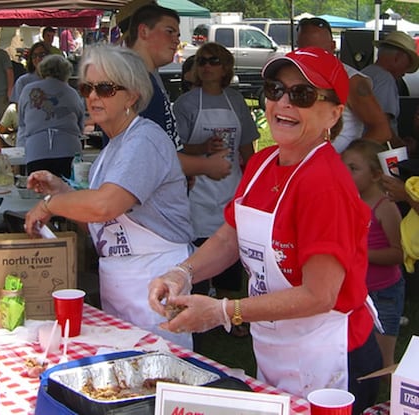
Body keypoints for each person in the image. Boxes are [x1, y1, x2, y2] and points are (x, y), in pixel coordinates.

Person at [148, 47, 382, 414]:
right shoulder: (261, 163)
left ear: (334, 114)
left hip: (330, 358)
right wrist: (183, 272)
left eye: (302, 95)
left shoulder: (324, 182)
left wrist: (223, 311)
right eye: (275, 90)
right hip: (277, 343)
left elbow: (320, 295)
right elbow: (230, 236)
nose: (284, 103)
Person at [24, 45, 194, 349]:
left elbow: (105, 205)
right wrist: (62, 192)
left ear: (131, 96)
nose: (92, 97)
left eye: (105, 88)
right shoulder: (113, 147)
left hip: (153, 281)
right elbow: (98, 217)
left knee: (158, 369)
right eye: (87, 87)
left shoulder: (144, 139)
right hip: (122, 281)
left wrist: (50, 205)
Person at [173, 43, 258, 340]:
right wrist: (204, 149)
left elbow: (247, 145)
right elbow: (177, 149)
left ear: (226, 68)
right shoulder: (184, 104)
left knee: (232, 249)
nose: (207, 66)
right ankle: (192, 309)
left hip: (231, 184)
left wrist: (251, 180)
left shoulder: (236, 102)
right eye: (201, 61)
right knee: (197, 248)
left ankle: (230, 314)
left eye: (214, 61)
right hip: (198, 187)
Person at [125, 3, 231, 182]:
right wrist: (206, 166)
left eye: (178, 35)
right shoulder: (134, 81)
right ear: (143, 31)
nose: (176, 40)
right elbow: (150, 154)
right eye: (169, 31)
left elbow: (164, 144)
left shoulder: (149, 77)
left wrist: (183, 171)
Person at [341, 139, 404, 373]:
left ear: (377, 175)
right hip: (355, 290)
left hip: (383, 292)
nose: (345, 173)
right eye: (343, 166)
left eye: (354, 169)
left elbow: (399, 253)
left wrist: (360, 254)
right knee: (356, 357)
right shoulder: (346, 202)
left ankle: (390, 404)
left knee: (382, 360)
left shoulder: (384, 206)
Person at [296, 17, 391, 152]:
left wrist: (347, 160)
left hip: (336, 166)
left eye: (319, 52)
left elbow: (382, 130)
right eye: (304, 51)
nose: (312, 58)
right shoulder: (296, 77)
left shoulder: (352, 80)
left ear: (333, 46)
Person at [17, 54, 84, 178]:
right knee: (67, 192)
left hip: (36, 150)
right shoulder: (72, 93)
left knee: (39, 192)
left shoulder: (28, 90)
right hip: (68, 149)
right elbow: (80, 125)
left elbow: (22, 122)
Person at [362, 31, 419, 140]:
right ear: (397, 57)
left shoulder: (365, 72)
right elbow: (383, 124)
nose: (405, 72)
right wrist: (400, 146)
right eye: (407, 64)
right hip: (378, 150)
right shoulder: (385, 79)